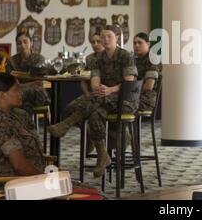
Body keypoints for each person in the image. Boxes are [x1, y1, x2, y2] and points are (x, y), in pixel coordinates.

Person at [48, 25, 138, 178]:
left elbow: (129, 82)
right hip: (102, 99)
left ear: (117, 38)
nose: (105, 39)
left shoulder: (126, 56)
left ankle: (65, 125)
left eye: (109, 36)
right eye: (103, 36)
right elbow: (95, 80)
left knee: (92, 105)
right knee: (78, 110)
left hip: (124, 100)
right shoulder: (96, 58)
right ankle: (103, 156)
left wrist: (110, 89)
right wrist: (99, 89)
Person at [0, 73, 45, 176]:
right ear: (2, 95)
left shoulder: (19, 114)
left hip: (35, 178)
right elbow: (20, 166)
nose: (21, 93)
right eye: (16, 90)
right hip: (18, 184)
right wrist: (45, 179)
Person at [60, 32, 105, 155]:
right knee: (69, 110)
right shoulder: (90, 58)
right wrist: (86, 93)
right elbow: (84, 79)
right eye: (93, 42)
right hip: (90, 94)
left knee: (88, 112)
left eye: (98, 41)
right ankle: (88, 135)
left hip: (103, 94)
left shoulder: (108, 58)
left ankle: (95, 141)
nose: (95, 44)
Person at [5, 32, 50, 116]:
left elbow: (39, 82)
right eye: (19, 43)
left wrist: (21, 85)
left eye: (25, 42)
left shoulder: (39, 59)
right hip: (18, 94)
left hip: (37, 94)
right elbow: (10, 83)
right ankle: (27, 124)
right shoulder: (12, 61)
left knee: (15, 98)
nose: (22, 45)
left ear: (31, 43)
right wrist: (30, 83)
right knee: (24, 105)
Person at [133, 32, 162, 112]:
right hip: (134, 95)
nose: (136, 45)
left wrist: (128, 90)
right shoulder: (133, 60)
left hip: (147, 99)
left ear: (148, 44)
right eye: (134, 43)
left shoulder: (153, 59)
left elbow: (148, 86)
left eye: (140, 43)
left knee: (119, 103)